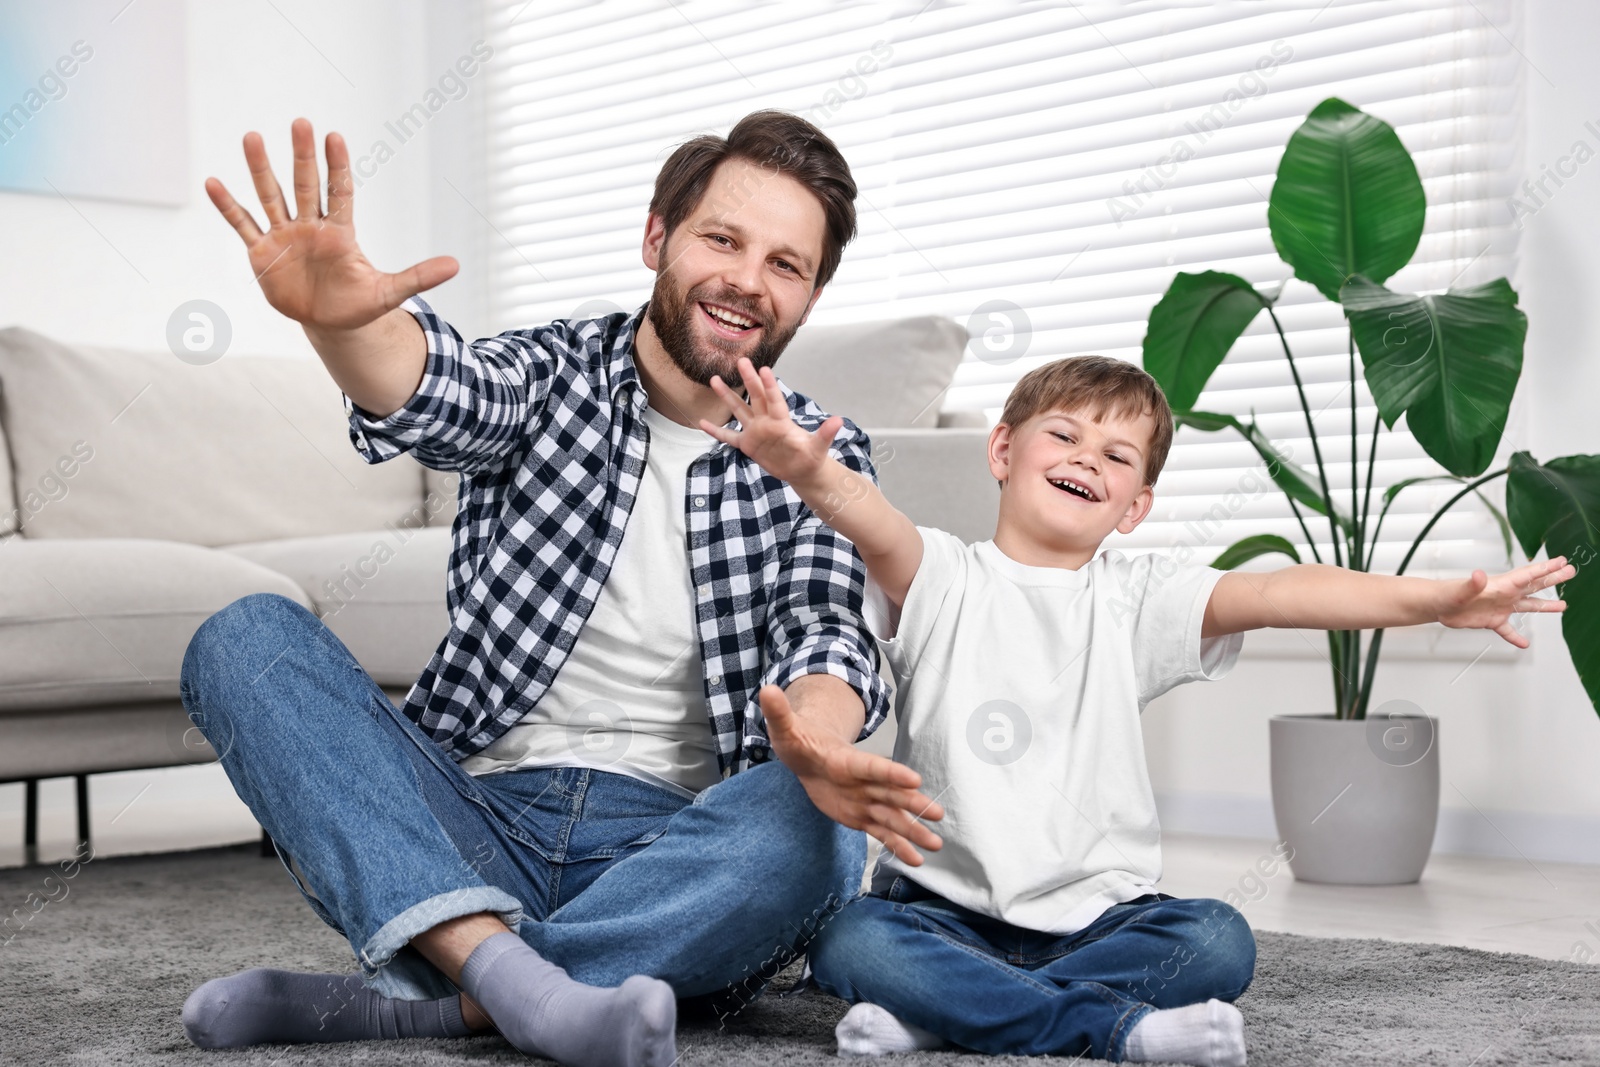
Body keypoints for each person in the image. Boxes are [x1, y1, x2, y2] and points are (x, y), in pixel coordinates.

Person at [176, 110, 945, 1067]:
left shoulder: (827, 447)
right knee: (245, 637)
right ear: (657, 236)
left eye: (787, 265)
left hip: (673, 845)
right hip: (474, 813)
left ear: (810, 296)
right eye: (722, 238)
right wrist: (347, 327)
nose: (748, 280)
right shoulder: (549, 373)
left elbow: (827, 625)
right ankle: (532, 983)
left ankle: (459, 988)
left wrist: (820, 746)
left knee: (816, 825)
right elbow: (431, 386)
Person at [697, 352, 1575, 1065]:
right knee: (852, 940)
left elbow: (1283, 591)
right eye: (1065, 435)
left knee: (1220, 940)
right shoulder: (944, 575)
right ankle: (1110, 1029)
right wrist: (811, 473)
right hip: (939, 910)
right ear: (1002, 450)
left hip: (1101, 919)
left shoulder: (1142, 598)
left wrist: (1435, 600)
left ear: (1135, 506)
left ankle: (952, 1013)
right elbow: (873, 520)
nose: (1087, 458)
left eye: (1117, 457)